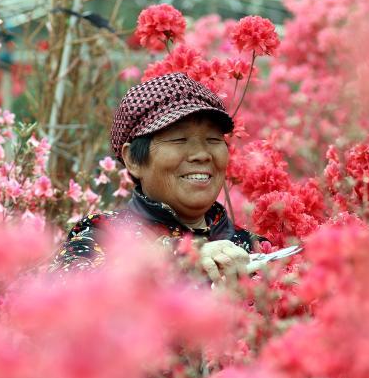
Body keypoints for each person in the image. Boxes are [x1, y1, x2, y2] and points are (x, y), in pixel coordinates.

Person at [51, 72, 262, 281]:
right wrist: (182, 258)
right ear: (133, 160)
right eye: (179, 139)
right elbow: (68, 286)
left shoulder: (252, 246)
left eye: (213, 139)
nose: (202, 154)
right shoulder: (105, 234)